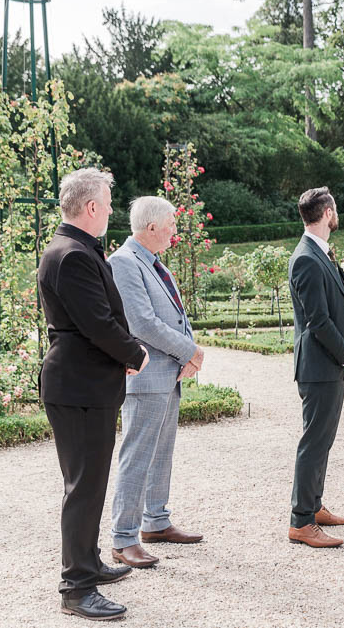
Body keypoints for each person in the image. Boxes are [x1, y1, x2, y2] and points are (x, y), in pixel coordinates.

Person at [37, 168, 149, 621]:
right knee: (83, 487)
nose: (109, 210)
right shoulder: (73, 255)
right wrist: (134, 353)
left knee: (90, 483)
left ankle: (88, 562)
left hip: (85, 381)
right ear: (90, 207)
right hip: (79, 385)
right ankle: (76, 587)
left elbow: (95, 322)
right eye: (106, 202)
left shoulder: (74, 249)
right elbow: (97, 322)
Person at [108, 196, 205, 571]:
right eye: (171, 226)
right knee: (138, 456)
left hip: (168, 373)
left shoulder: (154, 263)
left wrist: (188, 354)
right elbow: (142, 323)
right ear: (151, 228)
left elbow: (177, 316)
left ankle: (156, 522)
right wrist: (191, 351)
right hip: (146, 375)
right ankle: (124, 538)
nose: (175, 232)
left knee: (161, 452)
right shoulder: (124, 262)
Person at [287, 187, 344, 548]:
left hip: (327, 365)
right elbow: (318, 321)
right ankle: (301, 521)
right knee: (314, 442)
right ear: (328, 212)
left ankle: (314, 506)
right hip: (320, 366)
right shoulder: (306, 258)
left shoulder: (318, 253)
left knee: (323, 440)